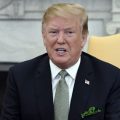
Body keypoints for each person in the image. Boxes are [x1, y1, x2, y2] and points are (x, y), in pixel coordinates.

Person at [1, 3, 120, 120]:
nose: (60, 40)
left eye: (69, 32)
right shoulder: (19, 76)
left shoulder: (110, 78)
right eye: (53, 32)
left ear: (83, 38)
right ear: (44, 37)